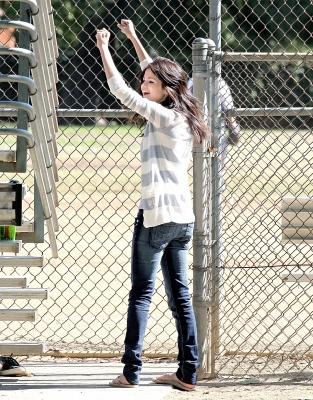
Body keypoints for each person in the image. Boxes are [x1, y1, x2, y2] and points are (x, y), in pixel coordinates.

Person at [96, 20, 211, 391]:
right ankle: (187, 372)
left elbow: (122, 91)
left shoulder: (163, 117)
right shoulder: (179, 112)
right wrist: (133, 39)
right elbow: (157, 71)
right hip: (183, 220)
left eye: (150, 84)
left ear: (165, 90)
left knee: (141, 294)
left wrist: (104, 47)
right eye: (143, 81)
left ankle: (131, 372)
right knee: (179, 296)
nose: (144, 86)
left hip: (158, 217)